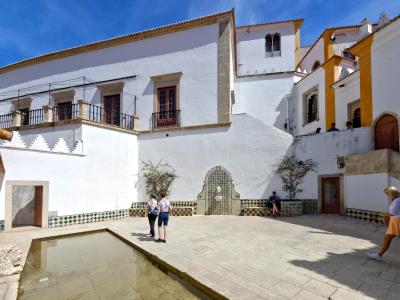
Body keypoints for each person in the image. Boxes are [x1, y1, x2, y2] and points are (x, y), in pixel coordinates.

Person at [367, 186, 400, 260]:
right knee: (387, 238)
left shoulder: (397, 200)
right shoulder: (396, 200)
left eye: (387, 193)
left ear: (392, 193)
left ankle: (379, 255)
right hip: (395, 222)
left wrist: (381, 214)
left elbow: (392, 213)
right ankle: (379, 255)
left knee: (387, 238)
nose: (387, 195)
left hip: (397, 222)